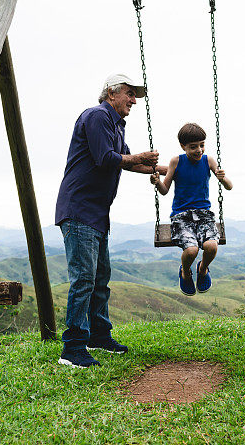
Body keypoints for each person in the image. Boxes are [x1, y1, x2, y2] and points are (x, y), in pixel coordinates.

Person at [55, 74, 165, 369]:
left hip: (96, 214)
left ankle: (99, 336)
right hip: (79, 210)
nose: (134, 100)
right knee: (84, 280)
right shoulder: (96, 116)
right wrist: (139, 157)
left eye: (135, 96)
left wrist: (176, 170)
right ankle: (73, 348)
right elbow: (106, 158)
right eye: (130, 94)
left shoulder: (116, 125)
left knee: (100, 279)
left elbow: (130, 161)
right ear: (111, 93)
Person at [151, 123, 233, 296]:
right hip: (181, 216)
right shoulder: (176, 161)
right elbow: (164, 190)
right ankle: (185, 271)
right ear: (183, 146)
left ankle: (202, 269)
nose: (199, 150)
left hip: (204, 215)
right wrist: (157, 182)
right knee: (191, 250)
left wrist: (223, 178)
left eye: (202, 145)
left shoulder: (208, 160)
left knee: (211, 246)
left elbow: (229, 187)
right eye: (193, 147)